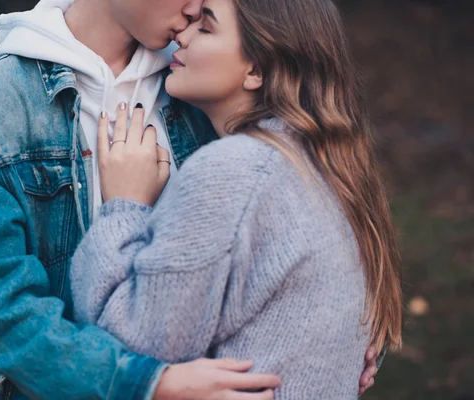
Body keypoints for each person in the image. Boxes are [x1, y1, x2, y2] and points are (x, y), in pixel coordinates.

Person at [0, 0, 380, 398]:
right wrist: (152, 385)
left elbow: (290, 234)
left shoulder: (202, 87)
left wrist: (341, 329)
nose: (195, 9)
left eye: (207, 19)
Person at [68, 0, 404, 398]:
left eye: (206, 29)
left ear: (256, 70)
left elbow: (133, 345)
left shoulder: (235, 171)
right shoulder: (324, 165)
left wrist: (123, 205)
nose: (183, 35)